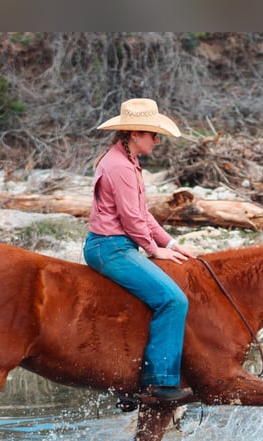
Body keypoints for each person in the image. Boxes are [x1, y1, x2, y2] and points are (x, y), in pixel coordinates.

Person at [83, 98, 195, 404]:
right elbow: (131, 219)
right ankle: (158, 382)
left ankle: (130, 380)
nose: (157, 141)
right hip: (111, 247)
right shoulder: (120, 166)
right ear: (134, 133)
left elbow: (142, 214)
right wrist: (153, 250)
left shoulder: (127, 160)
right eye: (153, 134)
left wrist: (170, 243)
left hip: (118, 244)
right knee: (173, 300)